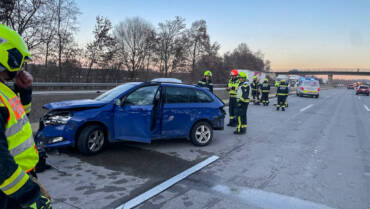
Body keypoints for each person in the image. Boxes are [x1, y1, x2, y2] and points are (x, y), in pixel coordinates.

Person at [0, 24, 51, 209]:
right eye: (20, 60)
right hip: (10, 188)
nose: (22, 67)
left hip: (18, 179)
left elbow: (19, 121)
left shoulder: (4, 90)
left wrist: (25, 92)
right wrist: (30, 195)